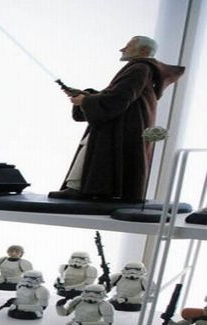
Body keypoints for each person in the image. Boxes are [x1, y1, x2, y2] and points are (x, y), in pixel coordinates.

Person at [49, 36, 184, 202]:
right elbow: (116, 96)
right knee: (94, 149)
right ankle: (83, 188)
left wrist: (85, 100)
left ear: (143, 50)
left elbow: (119, 97)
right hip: (124, 122)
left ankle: (79, 189)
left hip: (123, 124)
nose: (122, 49)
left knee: (94, 149)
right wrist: (87, 96)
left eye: (128, 46)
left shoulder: (140, 68)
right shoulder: (142, 68)